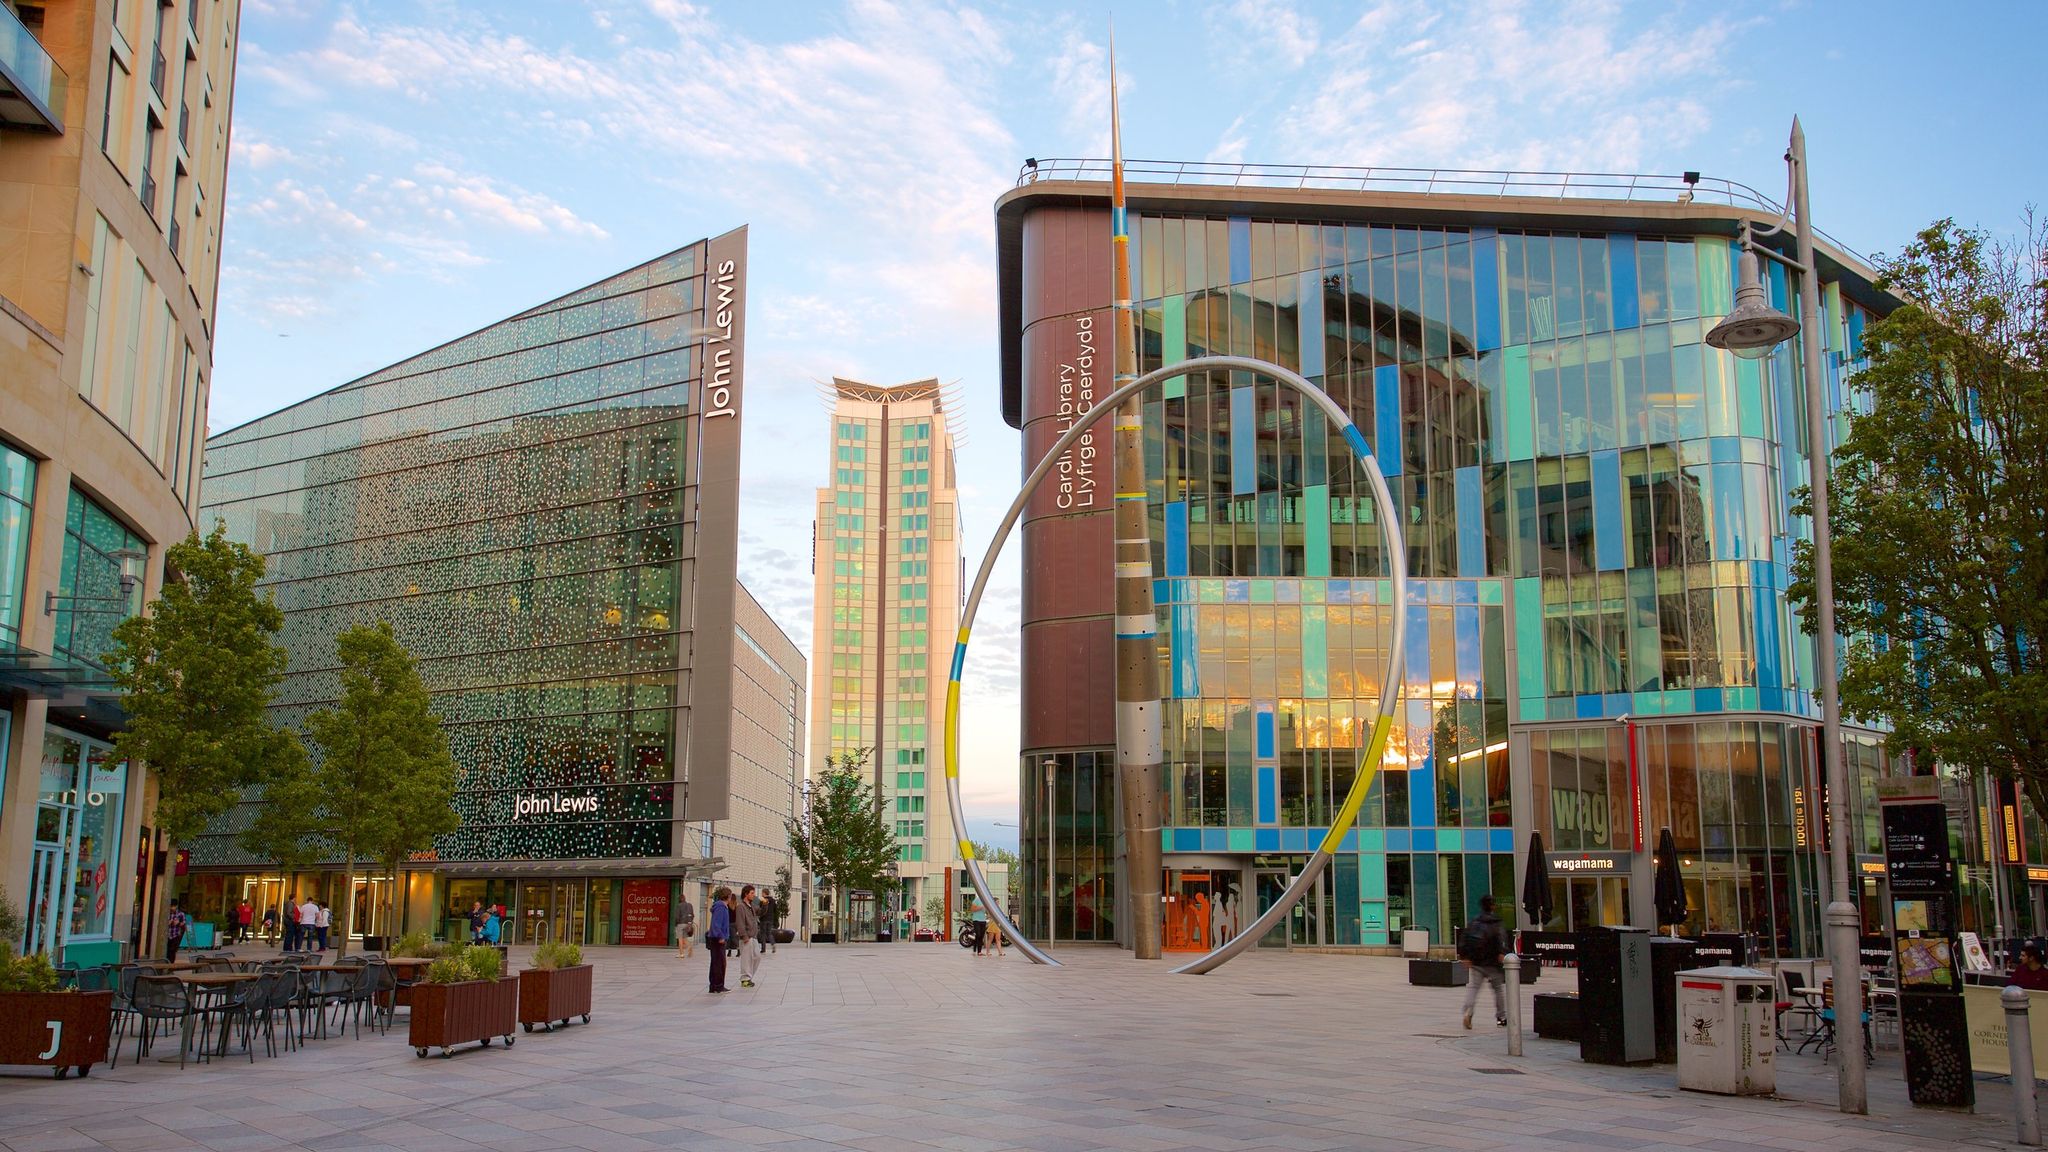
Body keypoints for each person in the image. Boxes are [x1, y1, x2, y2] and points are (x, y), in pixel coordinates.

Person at [1457, 895, 1510, 1029]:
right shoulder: (1496, 923)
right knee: (1497, 990)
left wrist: (1465, 956)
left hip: (1476, 962)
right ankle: (1501, 1017)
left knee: (1474, 988)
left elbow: (1464, 938)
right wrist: (1502, 953)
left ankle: (1469, 1011)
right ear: (1492, 906)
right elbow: (1502, 939)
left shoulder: (1474, 922)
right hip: (1493, 962)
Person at [705, 887, 733, 993]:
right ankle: (718, 985)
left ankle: (714, 985)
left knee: (716, 962)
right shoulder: (721, 907)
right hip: (718, 939)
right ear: (728, 896)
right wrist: (721, 936)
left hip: (716, 938)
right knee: (719, 963)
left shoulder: (720, 906)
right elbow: (717, 924)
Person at [734, 885, 762, 988]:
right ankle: (745, 978)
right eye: (752, 893)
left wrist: (766, 905)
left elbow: (760, 912)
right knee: (746, 958)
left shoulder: (751, 906)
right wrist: (744, 936)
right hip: (746, 937)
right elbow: (740, 922)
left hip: (753, 936)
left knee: (757, 957)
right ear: (746, 894)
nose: (753, 895)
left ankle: (749, 976)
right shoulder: (741, 906)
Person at [675, 894, 696, 959]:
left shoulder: (679, 906)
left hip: (681, 923)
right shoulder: (690, 905)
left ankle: (681, 954)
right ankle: (689, 947)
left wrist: (676, 924)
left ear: (679, 899)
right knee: (685, 938)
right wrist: (690, 923)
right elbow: (692, 915)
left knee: (680, 939)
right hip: (688, 924)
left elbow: (677, 916)